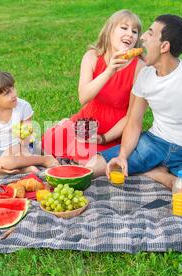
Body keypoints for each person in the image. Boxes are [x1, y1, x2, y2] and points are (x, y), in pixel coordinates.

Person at [86, 14, 182, 206]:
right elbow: (134, 123)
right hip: (155, 143)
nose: (141, 37)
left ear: (164, 46)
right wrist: (123, 156)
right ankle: (162, 173)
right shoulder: (144, 76)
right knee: (94, 166)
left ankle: (160, 175)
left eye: (150, 34)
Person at [41, 9, 146, 164]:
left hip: (114, 131)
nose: (130, 34)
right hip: (86, 123)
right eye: (124, 28)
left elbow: (131, 116)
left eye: (134, 31)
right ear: (109, 31)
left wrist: (104, 138)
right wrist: (109, 71)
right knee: (48, 143)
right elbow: (83, 98)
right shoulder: (92, 57)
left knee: (89, 160)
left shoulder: (140, 68)